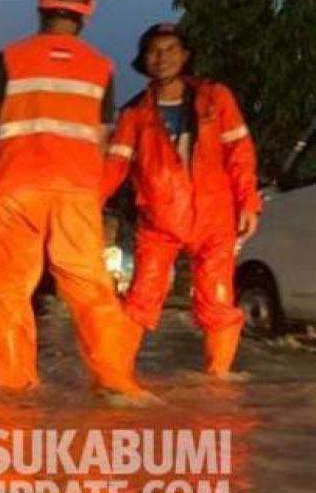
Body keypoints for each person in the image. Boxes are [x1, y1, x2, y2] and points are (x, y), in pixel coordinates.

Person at [0, 0, 147, 397]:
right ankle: (119, 386)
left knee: (9, 292)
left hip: (18, 190)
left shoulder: (11, 58)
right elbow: (102, 143)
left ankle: (12, 394)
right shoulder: (101, 68)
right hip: (78, 194)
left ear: (40, 1)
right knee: (92, 293)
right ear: (89, 8)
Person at [101, 22, 261, 378]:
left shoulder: (216, 97)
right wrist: (88, 204)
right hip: (158, 220)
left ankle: (218, 381)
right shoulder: (133, 113)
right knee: (140, 299)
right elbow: (115, 165)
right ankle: (116, 379)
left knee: (218, 301)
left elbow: (240, 152)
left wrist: (249, 202)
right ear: (143, 60)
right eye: (154, 51)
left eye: (171, 49)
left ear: (185, 55)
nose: (162, 58)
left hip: (215, 219)